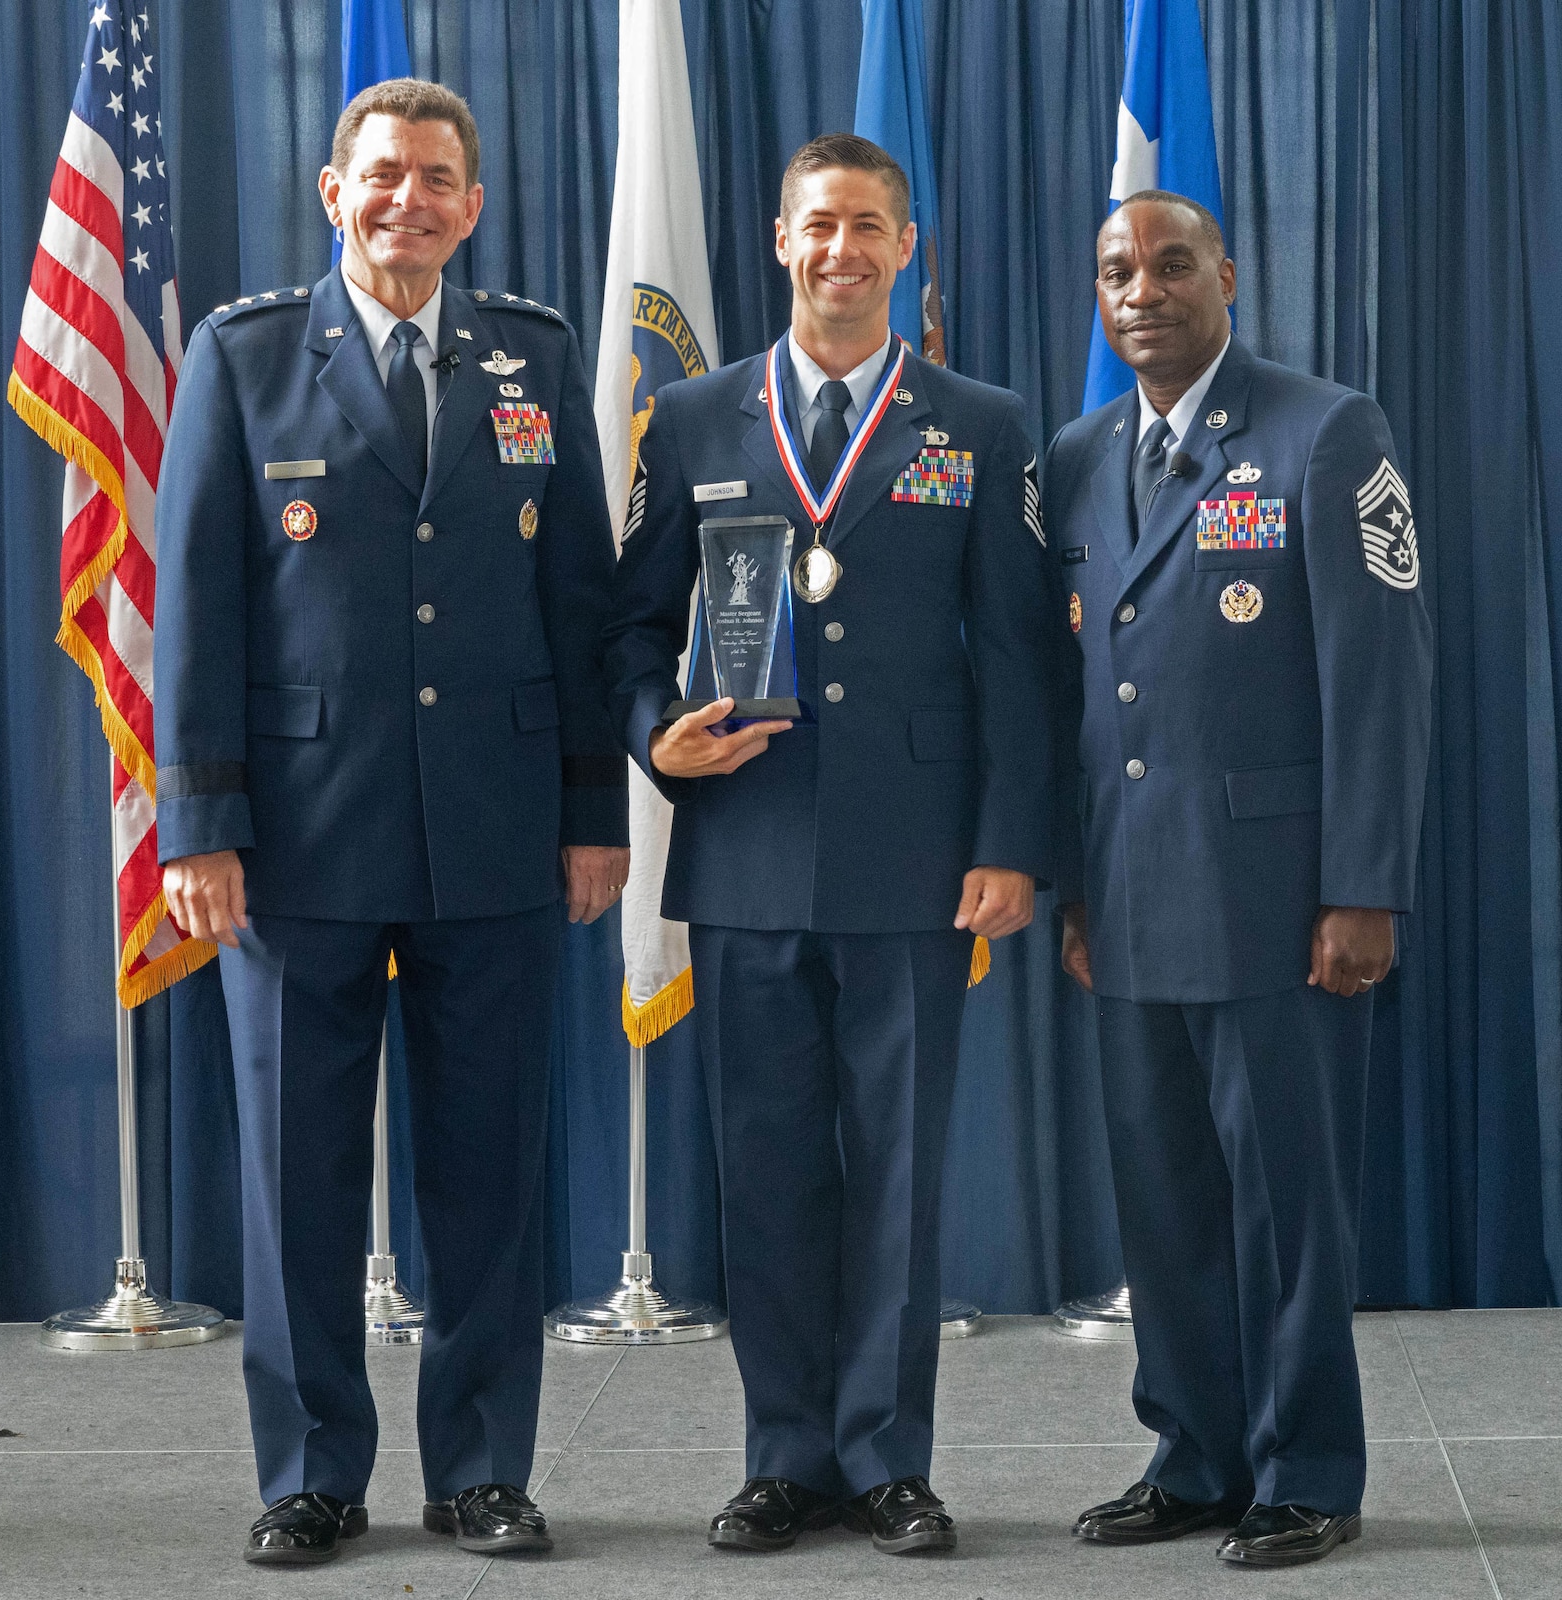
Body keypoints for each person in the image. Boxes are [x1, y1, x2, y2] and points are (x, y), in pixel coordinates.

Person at [154, 78, 629, 1567]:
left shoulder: (533, 359)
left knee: (489, 1170)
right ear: (330, 188)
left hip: (493, 830)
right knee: (297, 1171)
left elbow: (583, 611)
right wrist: (199, 824)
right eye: (382, 176)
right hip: (296, 836)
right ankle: (310, 1469)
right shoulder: (243, 358)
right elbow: (197, 611)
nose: (406, 200)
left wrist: (592, 812)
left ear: (472, 205)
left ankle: (481, 1465)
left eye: (435, 179)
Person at [604, 133, 1058, 1557]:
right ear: (779, 240)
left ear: (905, 247)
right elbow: (623, 627)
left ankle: (888, 1457)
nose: (842, 250)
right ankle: (784, 1455)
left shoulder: (981, 422)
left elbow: (1020, 665)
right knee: (768, 1166)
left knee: (900, 1176)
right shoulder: (690, 417)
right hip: (744, 852)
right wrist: (651, 734)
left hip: (918, 859)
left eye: (869, 225)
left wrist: (1010, 845)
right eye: (819, 226)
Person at [1045, 191, 1433, 1569]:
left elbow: (1379, 683)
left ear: (1226, 276)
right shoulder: (1080, 455)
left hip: (1285, 903)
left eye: (1168, 264)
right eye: (1115, 272)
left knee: (1287, 1205)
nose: (1141, 289)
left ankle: (1308, 1467)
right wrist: (1072, 889)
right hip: (1130, 899)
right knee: (1165, 1206)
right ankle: (1196, 1454)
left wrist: (1365, 885)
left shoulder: (1324, 431)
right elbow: (1079, 696)